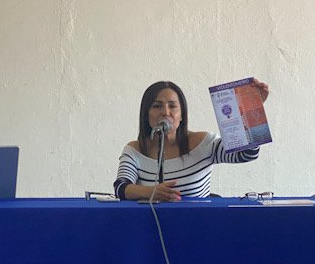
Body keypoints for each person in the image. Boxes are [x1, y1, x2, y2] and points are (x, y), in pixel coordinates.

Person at [113, 79, 269, 201]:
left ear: (181, 115)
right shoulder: (135, 150)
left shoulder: (204, 143)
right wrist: (152, 192)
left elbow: (247, 154)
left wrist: (252, 108)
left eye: (172, 106)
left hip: (198, 228)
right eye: (157, 106)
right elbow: (121, 188)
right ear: (146, 114)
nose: (165, 112)